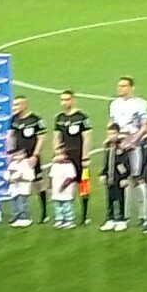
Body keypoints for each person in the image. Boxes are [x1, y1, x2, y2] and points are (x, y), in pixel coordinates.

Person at [109, 76, 147, 228]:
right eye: (119, 85)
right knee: (123, 178)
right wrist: (113, 138)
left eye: (124, 85)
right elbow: (112, 124)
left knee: (138, 178)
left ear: (131, 88)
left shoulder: (140, 103)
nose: (121, 88)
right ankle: (125, 215)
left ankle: (144, 215)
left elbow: (144, 125)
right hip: (119, 145)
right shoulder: (114, 104)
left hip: (135, 145)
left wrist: (133, 140)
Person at [53, 90, 92, 226]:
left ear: (73, 100)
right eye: (62, 100)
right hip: (65, 158)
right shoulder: (59, 118)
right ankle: (66, 215)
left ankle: (84, 215)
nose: (64, 102)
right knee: (64, 184)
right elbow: (57, 137)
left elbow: (87, 137)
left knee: (83, 185)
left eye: (67, 99)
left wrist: (85, 156)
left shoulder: (82, 117)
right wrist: (57, 152)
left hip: (79, 156)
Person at [99, 123, 131, 231]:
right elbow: (106, 161)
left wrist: (125, 177)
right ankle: (110, 219)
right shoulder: (107, 145)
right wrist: (103, 174)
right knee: (110, 199)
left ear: (118, 133)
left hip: (119, 178)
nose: (111, 136)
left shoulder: (122, 145)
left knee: (120, 198)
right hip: (110, 177)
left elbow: (126, 162)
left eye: (113, 133)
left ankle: (122, 220)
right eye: (109, 134)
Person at [49, 145, 78, 229]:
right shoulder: (55, 165)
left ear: (66, 155)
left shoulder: (69, 165)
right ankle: (59, 219)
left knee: (66, 205)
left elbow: (71, 177)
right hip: (56, 189)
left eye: (60, 154)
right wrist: (50, 188)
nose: (57, 157)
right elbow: (51, 176)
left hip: (66, 190)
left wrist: (63, 186)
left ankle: (69, 220)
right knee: (57, 205)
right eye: (56, 155)